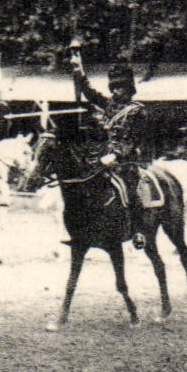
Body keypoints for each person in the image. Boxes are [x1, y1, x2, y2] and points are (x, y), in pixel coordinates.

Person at [70, 51, 153, 247]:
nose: (115, 92)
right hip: (102, 157)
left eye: (120, 88)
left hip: (126, 161)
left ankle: (139, 231)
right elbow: (89, 93)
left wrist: (115, 155)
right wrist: (78, 69)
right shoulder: (109, 105)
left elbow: (133, 140)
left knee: (131, 190)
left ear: (129, 90)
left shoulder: (137, 111)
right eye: (113, 87)